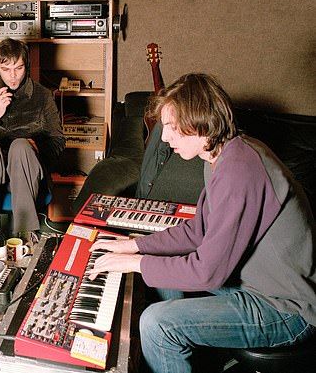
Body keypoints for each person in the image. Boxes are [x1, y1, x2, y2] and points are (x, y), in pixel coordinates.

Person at [87, 73, 316, 373]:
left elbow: (208, 273)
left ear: (200, 124)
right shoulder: (222, 156)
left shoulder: (239, 170)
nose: (165, 138)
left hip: (287, 309)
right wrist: (131, 244)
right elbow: (198, 232)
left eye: (170, 127)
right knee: (163, 269)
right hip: (257, 286)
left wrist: (132, 263)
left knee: (157, 324)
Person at [0, 38, 65, 245]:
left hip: (27, 173)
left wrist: (37, 147)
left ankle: (26, 234)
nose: (13, 76)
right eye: (6, 69)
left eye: (19, 68)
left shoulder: (43, 96)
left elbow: (58, 141)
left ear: (26, 65)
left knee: (20, 146)